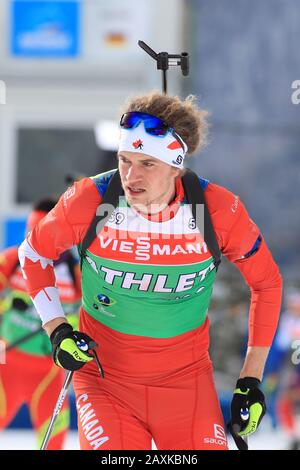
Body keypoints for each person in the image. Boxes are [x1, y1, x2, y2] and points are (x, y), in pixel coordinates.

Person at [19, 92, 282, 450]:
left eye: (147, 164)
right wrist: (57, 329)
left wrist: (250, 380)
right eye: (125, 160)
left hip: (187, 385)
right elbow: (34, 252)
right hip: (104, 381)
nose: (130, 175)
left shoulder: (215, 211)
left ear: (176, 167)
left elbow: (266, 283)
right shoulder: (93, 200)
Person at [0, 199, 81, 449]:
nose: (35, 244)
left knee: (52, 442)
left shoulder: (77, 273)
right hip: (5, 361)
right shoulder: (13, 259)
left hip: (49, 372)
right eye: (30, 234)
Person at [263, 290, 300, 450]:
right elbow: (279, 350)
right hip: (290, 369)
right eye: (291, 306)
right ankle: (291, 436)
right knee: (282, 402)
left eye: (296, 306)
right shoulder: (287, 321)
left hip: (294, 368)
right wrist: (272, 372)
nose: (293, 308)